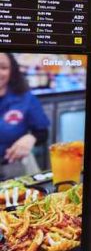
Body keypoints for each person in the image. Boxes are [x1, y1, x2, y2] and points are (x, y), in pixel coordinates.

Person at [0, 53, 49, 181]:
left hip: (14, 167)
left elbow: (42, 132)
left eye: (3, 67)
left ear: (12, 71)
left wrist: (31, 137)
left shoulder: (25, 98)